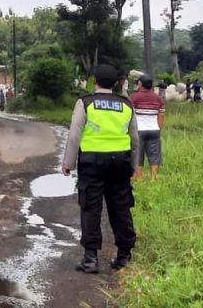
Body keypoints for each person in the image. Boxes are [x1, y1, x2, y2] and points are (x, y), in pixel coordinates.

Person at [62, 64, 139, 273]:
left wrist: (68, 163)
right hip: (120, 163)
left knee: (91, 207)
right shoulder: (126, 104)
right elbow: (134, 138)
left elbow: (75, 134)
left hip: (92, 162)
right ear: (116, 83)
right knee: (121, 207)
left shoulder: (85, 103)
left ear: (94, 81)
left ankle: (90, 259)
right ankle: (124, 256)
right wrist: (134, 164)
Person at [131, 75, 165, 180]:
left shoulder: (134, 97)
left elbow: (130, 115)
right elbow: (161, 115)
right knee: (154, 155)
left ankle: (139, 177)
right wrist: (158, 128)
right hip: (154, 130)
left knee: (138, 154)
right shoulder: (158, 98)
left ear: (140, 84)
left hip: (139, 130)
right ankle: (154, 178)